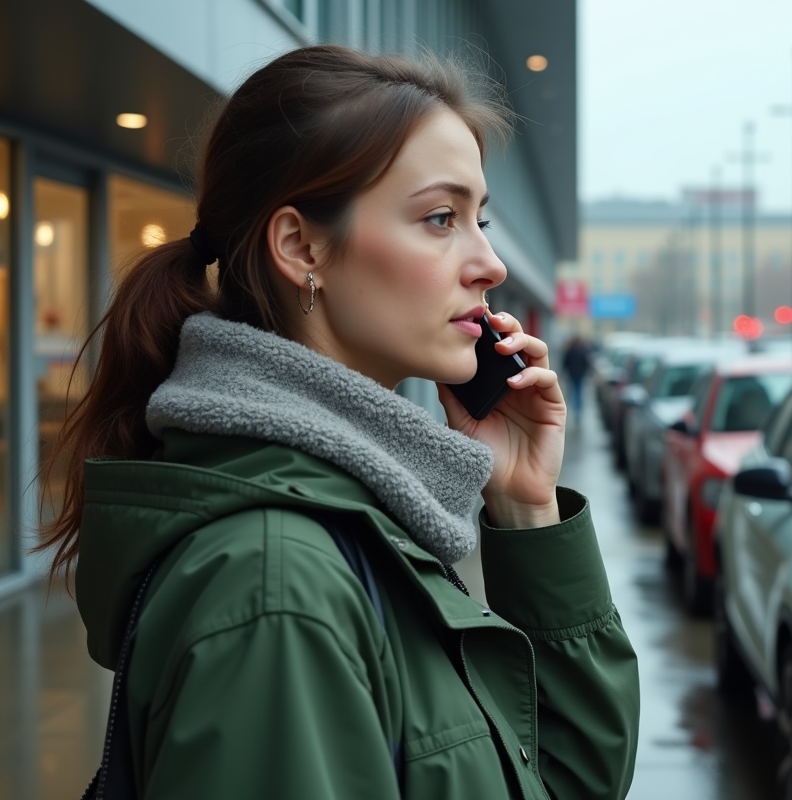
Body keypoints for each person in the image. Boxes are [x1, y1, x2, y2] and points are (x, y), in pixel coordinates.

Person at [38, 46, 639, 800]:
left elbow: (563, 784)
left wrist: (524, 505)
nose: (489, 262)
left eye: (479, 219)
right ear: (301, 247)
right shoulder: (277, 584)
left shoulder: (363, 517)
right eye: (441, 218)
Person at [562, 335, 593, 417]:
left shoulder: (570, 350)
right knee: (578, 391)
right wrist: (586, 372)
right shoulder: (583, 351)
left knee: (572, 391)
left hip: (572, 374)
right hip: (580, 374)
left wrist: (564, 372)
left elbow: (565, 363)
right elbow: (586, 363)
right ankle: (577, 409)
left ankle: (573, 407)